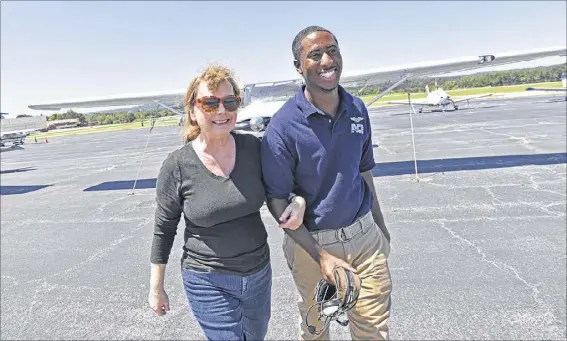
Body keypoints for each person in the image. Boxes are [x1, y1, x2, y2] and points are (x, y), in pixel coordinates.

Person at [148, 64, 307, 341]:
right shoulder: (177, 165)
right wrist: (156, 287)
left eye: (229, 101)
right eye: (210, 103)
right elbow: (164, 228)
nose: (221, 110)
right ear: (192, 111)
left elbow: (286, 188)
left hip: (258, 273)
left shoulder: (255, 148)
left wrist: (300, 201)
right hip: (208, 279)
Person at [260, 26, 393, 340]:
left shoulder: (358, 109)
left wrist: (381, 227)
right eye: (314, 55)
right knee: (316, 330)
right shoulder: (282, 127)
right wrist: (321, 257)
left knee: (374, 332)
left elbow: (363, 173)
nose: (326, 60)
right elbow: (277, 201)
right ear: (299, 66)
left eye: (332, 50)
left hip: (365, 239)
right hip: (312, 245)